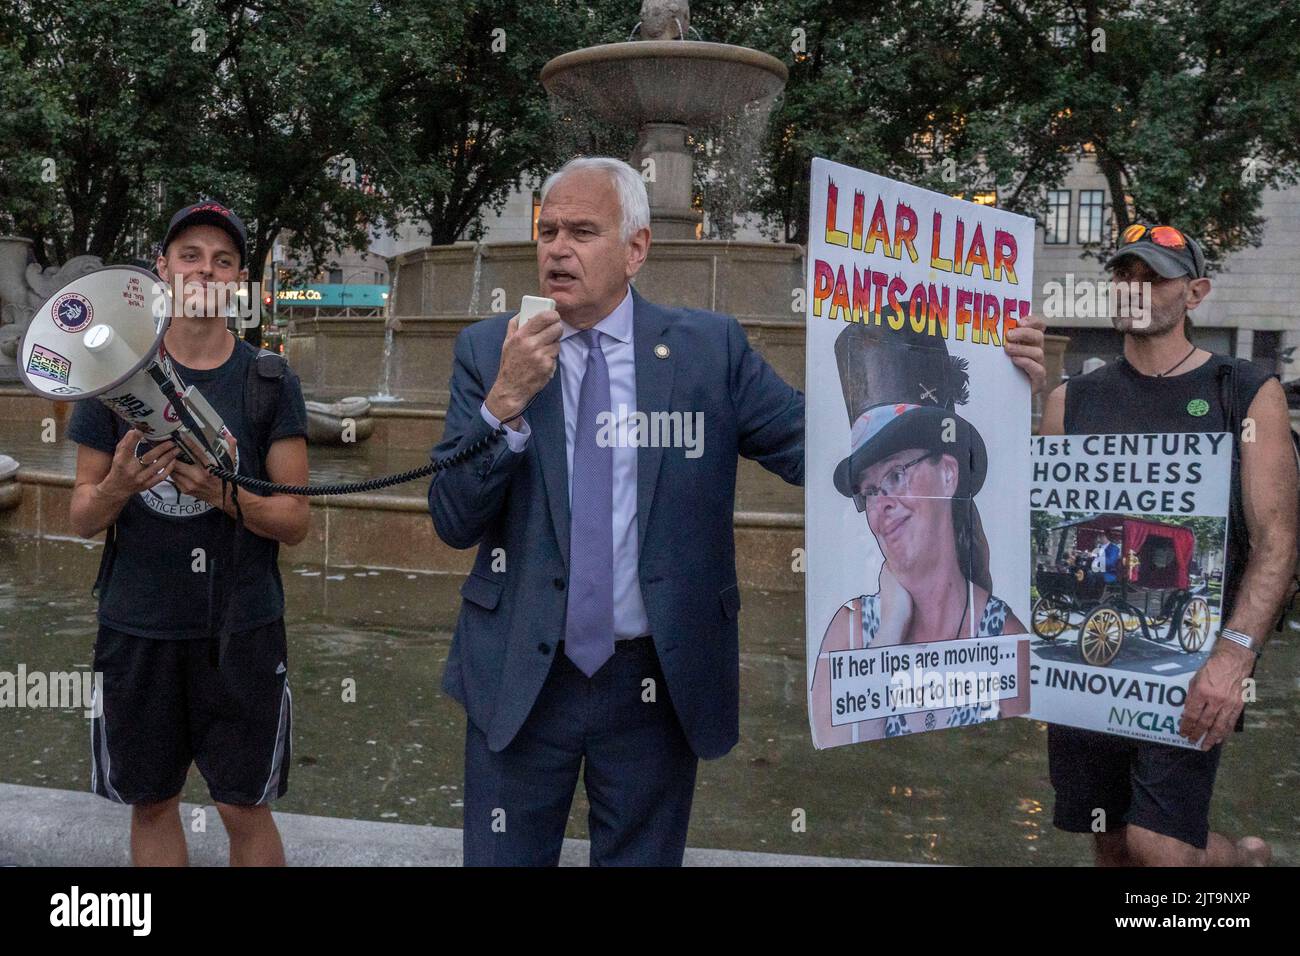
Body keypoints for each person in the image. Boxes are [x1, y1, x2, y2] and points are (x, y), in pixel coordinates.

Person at [428, 156, 1049, 866]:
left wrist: (995, 382)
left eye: (583, 231)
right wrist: (503, 403)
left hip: (652, 685)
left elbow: (818, 454)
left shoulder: (706, 350)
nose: (557, 248)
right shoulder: (490, 351)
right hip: (519, 680)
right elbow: (452, 519)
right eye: (548, 231)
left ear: (636, 249)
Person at [1040, 222, 1297, 866]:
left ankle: (1238, 866)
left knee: (1159, 840)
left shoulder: (1243, 390)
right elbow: (1043, 523)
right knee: (1113, 836)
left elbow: (1278, 541)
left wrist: (1234, 658)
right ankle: (1242, 861)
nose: (1135, 287)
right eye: (1125, 274)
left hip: (1200, 657)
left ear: (1196, 293)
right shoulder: (1070, 401)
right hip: (1087, 660)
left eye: (1155, 277)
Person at [68, 201, 309, 866]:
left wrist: (222, 494)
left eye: (223, 260)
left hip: (241, 630)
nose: (206, 270)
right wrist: (119, 486)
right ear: (162, 270)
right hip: (138, 626)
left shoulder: (269, 379)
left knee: (242, 805)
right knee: (151, 802)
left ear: (238, 280)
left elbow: (295, 522)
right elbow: (83, 518)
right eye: (191, 256)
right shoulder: (111, 382)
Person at [809, 322, 1029, 746]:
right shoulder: (851, 631)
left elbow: (1000, 759)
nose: (881, 503)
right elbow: (844, 756)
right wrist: (891, 626)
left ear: (948, 474)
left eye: (895, 474)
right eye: (870, 491)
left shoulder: (1004, 636)